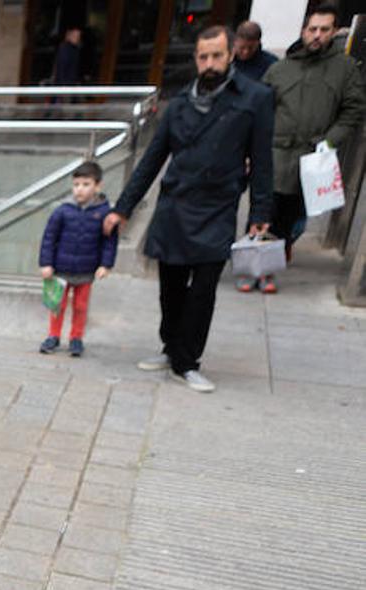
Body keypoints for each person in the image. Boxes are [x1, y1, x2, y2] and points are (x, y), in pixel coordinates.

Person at [105, 24, 272, 394]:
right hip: (175, 207)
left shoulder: (255, 99)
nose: (210, 63)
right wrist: (123, 207)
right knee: (171, 288)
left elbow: (262, 160)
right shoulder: (179, 103)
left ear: (230, 55)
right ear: (196, 59)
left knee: (203, 290)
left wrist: (261, 212)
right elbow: (152, 159)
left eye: (216, 55)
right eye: (203, 56)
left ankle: (188, 361)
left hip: (217, 208)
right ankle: (170, 347)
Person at [260, 3, 366, 292]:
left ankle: (273, 260)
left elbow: (354, 109)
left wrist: (331, 139)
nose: (317, 35)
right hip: (273, 154)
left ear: (333, 32)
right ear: (303, 31)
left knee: (291, 219)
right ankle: (258, 268)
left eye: (323, 30)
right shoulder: (281, 68)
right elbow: (258, 110)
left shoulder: (343, 70)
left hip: (310, 159)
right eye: (312, 29)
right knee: (262, 213)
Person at [37, 160, 117, 357]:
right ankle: (53, 336)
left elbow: (109, 241)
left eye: (86, 184)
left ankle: (76, 338)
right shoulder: (62, 211)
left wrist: (106, 265)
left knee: (81, 306)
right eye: (76, 185)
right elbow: (49, 238)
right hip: (60, 269)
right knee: (58, 305)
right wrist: (46, 263)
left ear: (98, 186)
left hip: (86, 269)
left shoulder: (104, 213)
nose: (79, 189)